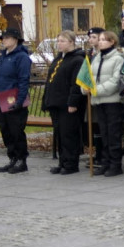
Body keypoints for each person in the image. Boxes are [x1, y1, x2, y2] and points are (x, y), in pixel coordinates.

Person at [42, 31, 86, 175]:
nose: (59, 44)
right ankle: (62, 161)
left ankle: (71, 163)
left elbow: (75, 84)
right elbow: (50, 81)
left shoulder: (77, 60)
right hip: (56, 103)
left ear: (71, 42)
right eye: (58, 41)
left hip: (68, 104)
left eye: (62, 41)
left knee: (69, 134)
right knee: (60, 134)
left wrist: (73, 102)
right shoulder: (59, 59)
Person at [0, 27, 32, 173]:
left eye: (7, 38)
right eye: (3, 38)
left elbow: (23, 80)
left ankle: (22, 160)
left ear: (16, 39)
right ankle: (12, 158)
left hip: (14, 97)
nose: (4, 40)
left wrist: (20, 101)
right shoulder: (2, 57)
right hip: (1, 98)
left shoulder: (21, 57)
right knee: (6, 131)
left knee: (16, 131)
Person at [91, 31, 124, 177]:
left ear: (112, 42)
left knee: (113, 134)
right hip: (99, 102)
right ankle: (105, 162)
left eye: (104, 40)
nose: (100, 42)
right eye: (100, 39)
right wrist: (86, 88)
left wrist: (96, 90)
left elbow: (115, 80)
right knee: (104, 134)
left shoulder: (118, 58)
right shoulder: (97, 57)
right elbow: (90, 75)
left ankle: (115, 164)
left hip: (112, 101)